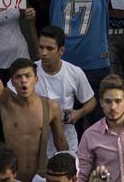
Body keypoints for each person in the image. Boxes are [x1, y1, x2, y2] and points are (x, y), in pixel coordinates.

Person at [0, 41, 68, 182]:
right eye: (18, 77)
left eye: (28, 76)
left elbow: (60, 140)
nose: (23, 81)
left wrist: (68, 169)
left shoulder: (51, 107)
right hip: (11, 178)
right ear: (12, 82)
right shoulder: (6, 102)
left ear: (36, 79)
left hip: (40, 177)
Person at [35, 26, 97, 154]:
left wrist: (78, 113)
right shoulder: (29, 71)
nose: (44, 53)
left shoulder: (74, 72)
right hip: (37, 141)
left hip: (67, 138)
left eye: (50, 48)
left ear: (61, 50)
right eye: (41, 47)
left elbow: (91, 101)